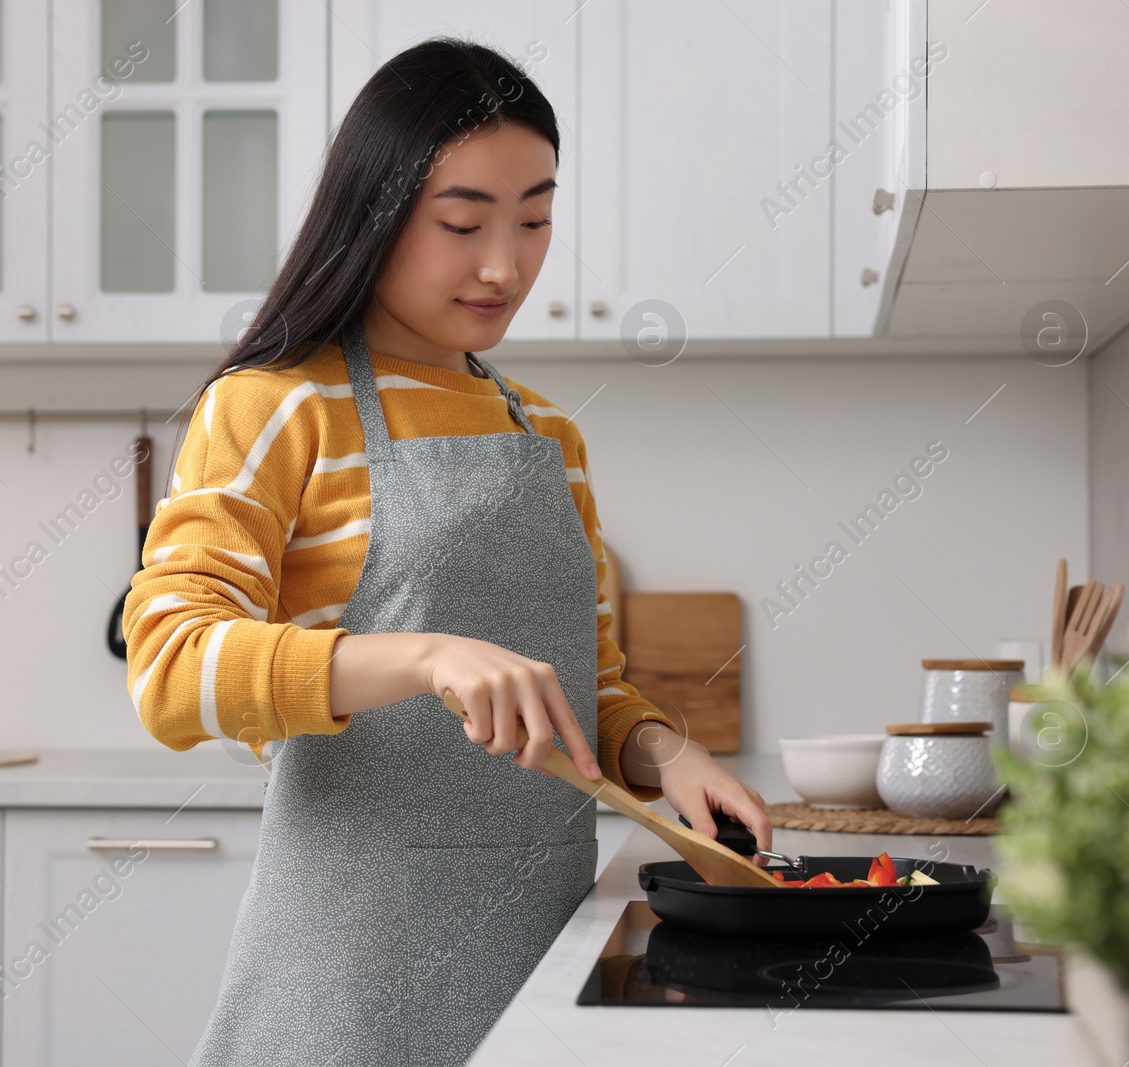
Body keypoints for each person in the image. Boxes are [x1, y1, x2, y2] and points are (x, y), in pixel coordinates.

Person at [122, 36, 772, 1067]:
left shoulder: (546, 433)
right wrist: (425, 654)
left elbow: (581, 689)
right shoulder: (274, 405)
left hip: (540, 955)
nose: (503, 264)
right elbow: (167, 669)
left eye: (535, 221)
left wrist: (664, 751)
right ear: (376, 211)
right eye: (463, 223)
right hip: (348, 979)